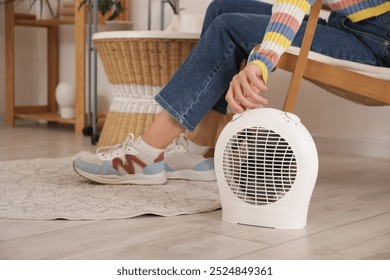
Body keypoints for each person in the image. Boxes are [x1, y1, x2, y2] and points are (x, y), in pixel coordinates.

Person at [74, 0, 390, 185]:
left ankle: (143, 155)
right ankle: (200, 153)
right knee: (222, 7)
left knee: (229, 26)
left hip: (379, 41)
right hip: (347, 24)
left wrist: (261, 63)